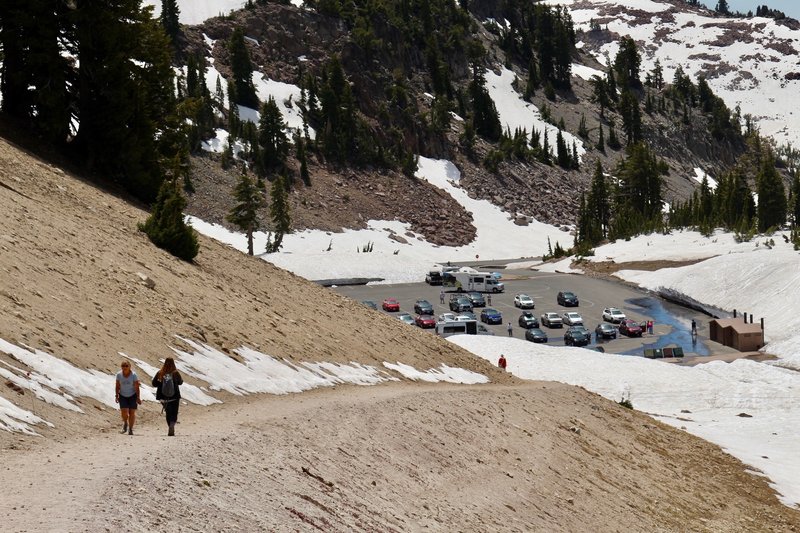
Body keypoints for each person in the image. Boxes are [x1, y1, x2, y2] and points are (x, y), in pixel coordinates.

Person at [152, 357, 184, 436]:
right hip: (174, 397)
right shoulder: (175, 373)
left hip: (163, 397)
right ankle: (172, 424)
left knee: (168, 413)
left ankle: (169, 425)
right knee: (174, 413)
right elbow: (180, 382)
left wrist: (161, 383)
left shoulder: (160, 372)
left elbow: (154, 383)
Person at [115, 361, 141, 436]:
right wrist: (116, 395)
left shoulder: (133, 375)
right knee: (124, 411)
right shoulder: (119, 375)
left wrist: (138, 397)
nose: (124, 367)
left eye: (126, 366)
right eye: (123, 366)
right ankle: (125, 423)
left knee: (132, 412)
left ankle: (130, 429)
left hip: (132, 395)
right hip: (123, 395)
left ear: (129, 367)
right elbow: (117, 385)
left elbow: (136, 387)